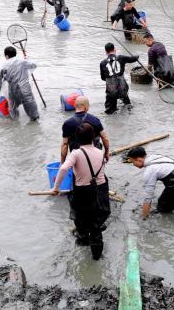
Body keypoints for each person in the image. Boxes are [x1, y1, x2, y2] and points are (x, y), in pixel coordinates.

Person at [52, 122, 110, 260]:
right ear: (93, 137)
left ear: (77, 139)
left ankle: (83, 239)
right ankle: (96, 255)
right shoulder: (100, 152)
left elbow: (64, 168)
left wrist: (56, 187)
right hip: (101, 188)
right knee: (96, 220)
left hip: (83, 190)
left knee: (81, 217)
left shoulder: (76, 153)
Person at [127, 147, 174, 218]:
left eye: (133, 162)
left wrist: (144, 217)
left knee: (163, 207)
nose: (133, 165)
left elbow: (148, 197)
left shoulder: (150, 170)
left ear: (139, 160)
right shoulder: (156, 156)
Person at [0, 46, 39, 121]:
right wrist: (26, 59)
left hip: (13, 90)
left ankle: (15, 124)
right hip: (26, 89)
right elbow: (34, 65)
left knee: (13, 113)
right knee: (34, 115)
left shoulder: (4, 66)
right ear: (15, 54)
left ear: (6, 56)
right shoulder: (23, 61)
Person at [61, 96, 110, 163]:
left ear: (75, 106)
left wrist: (62, 162)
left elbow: (65, 144)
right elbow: (105, 138)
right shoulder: (95, 120)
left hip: (78, 159)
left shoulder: (67, 124)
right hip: (96, 157)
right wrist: (106, 153)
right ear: (86, 106)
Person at [100, 42, 138, 114]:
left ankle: (112, 110)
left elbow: (102, 78)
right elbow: (133, 59)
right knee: (127, 103)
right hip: (123, 88)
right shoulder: (121, 58)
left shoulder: (102, 63)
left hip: (111, 90)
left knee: (109, 109)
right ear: (115, 49)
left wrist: (110, 79)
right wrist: (137, 57)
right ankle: (128, 106)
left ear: (106, 52)